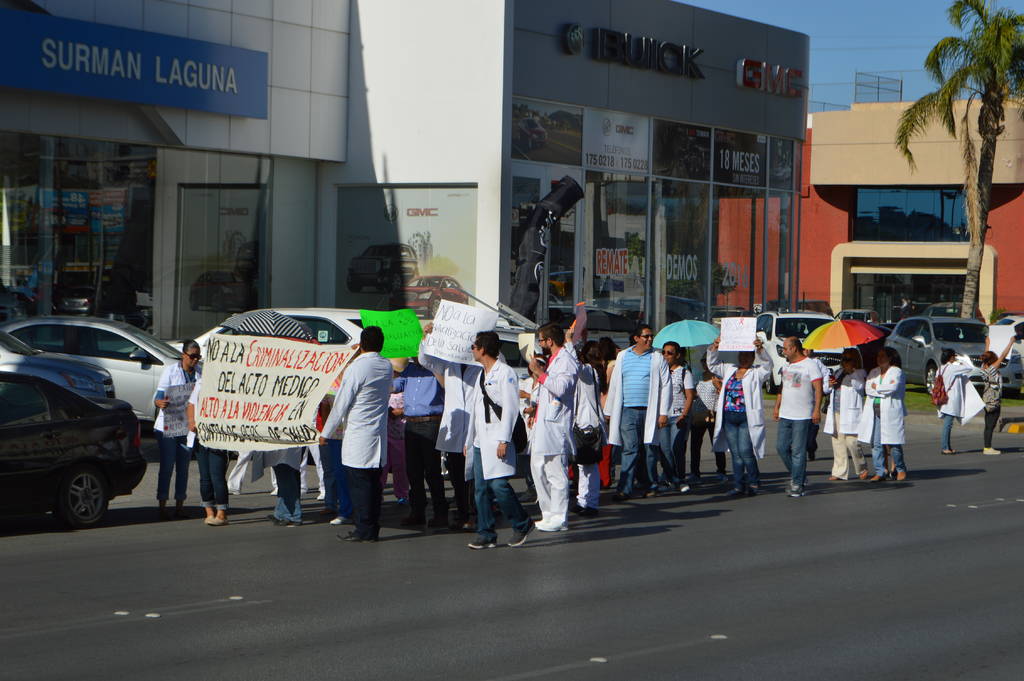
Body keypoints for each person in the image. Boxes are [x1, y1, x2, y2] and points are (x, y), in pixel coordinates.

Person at [464, 331, 535, 549]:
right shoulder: (480, 374)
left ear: (483, 348)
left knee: (499, 485)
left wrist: (504, 440)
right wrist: (469, 440)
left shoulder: (506, 373)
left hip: (497, 438)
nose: (472, 349)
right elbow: (475, 409)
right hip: (480, 440)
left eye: (475, 346)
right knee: (481, 488)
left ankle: (522, 523)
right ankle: (486, 532)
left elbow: (511, 409)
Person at [321, 326, 393, 543]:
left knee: (359, 486)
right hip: (377, 434)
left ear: (361, 344)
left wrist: (326, 432)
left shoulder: (357, 368)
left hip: (359, 435)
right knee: (373, 485)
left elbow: (341, 403)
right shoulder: (385, 365)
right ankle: (372, 527)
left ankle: (363, 529)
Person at [604, 323, 674, 501]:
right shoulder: (623, 356)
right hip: (628, 410)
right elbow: (615, 384)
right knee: (630, 449)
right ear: (636, 338)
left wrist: (664, 412)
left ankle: (651, 484)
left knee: (650, 449)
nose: (650, 339)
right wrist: (610, 409)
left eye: (651, 336)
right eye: (646, 336)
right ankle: (624, 489)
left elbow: (666, 385)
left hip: (650, 411)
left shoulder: (657, 358)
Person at [418, 324, 478, 531]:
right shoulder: (449, 363)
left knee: (473, 475)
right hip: (455, 427)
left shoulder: (479, 365)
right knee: (456, 474)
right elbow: (425, 360)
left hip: (474, 426)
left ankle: (473, 514)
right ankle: (462, 513)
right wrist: (427, 338)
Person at [528, 323, 578, 532]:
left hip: (556, 426)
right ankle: (547, 512)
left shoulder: (566, 361)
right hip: (543, 423)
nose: (540, 344)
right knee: (538, 468)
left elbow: (560, 388)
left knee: (556, 472)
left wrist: (540, 373)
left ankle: (559, 516)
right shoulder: (553, 360)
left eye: (541, 340)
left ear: (550, 341)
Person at [707, 337, 772, 496]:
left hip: (746, 418)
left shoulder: (756, 372)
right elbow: (712, 365)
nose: (744, 358)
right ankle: (738, 485)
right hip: (729, 417)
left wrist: (761, 350)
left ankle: (754, 482)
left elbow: (768, 366)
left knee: (745, 451)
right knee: (735, 454)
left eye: (748, 355)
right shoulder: (730, 369)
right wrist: (715, 347)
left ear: (752, 357)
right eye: (741, 355)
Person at [393, 353, 449, 529]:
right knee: (413, 470)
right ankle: (417, 511)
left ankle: (440, 513)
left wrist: (431, 365)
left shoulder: (437, 369)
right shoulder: (409, 369)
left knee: (432, 471)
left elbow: (445, 385)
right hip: (410, 423)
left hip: (430, 422)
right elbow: (393, 387)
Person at [153, 339, 201, 520]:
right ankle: (162, 506)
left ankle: (180, 506)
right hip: (168, 425)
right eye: (192, 356)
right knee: (167, 467)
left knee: (184, 467)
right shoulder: (171, 371)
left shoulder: (199, 374)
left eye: (198, 357)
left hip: (187, 426)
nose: (195, 360)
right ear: (184, 355)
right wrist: (159, 402)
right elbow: (158, 397)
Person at [772, 337, 823, 498]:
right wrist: (776, 406)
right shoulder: (786, 365)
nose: (783, 351)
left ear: (794, 348)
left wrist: (816, 410)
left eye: (786, 348)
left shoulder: (810, 365)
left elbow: (818, 389)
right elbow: (782, 387)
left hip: (803, 415)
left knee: (798, 451)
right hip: (786, 414)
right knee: (781, 447)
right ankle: (799, 475)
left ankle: (797, 484)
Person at [858, 348, 907, 481]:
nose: (879, 358)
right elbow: (868, 389)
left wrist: (877, 388)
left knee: (893, 442)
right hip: (874, 411)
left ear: (890, 358)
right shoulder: (873, 372)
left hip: (890, 411)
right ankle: (880, 471)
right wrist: (881, 389)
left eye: (883, 356)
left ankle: (900, 469)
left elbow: (893, 388)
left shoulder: (897, 372)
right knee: (876, 443)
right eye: (878, 356)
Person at [185, 377, 229, 525]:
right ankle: (209, 511)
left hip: (219, 436)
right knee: (205, 477)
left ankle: (222, 513)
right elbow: (191, 403)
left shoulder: (226, 380)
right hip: (200, 436)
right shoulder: (201, 381)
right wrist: (191, 421)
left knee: (217, 476)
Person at [572, 341, 606, 516]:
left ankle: (591, 503)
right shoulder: (593, 371)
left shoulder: (588, 371)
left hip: (588, 424)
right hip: (584, 422)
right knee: (582, 466)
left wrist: (570, 342)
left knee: (589, 467)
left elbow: (576, 367)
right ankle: (583, 500)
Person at [823, 349, 868, 481]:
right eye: (843, 359)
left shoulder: (860, 373)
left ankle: (862, 468)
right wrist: (829, 384)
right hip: (836, 411)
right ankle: (839, 471)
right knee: (837, 442)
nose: (844, 362)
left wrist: (851, 372)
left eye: (848, 359)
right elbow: (826, 389)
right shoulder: (838, 372)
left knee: (852, 442)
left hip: (850, 413)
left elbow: (860, 386)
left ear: (855, 360)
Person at [659, 341, 695, 487]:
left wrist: (684, 415)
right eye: (664, 352)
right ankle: (669, 477)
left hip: (678, 415)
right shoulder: (660, 372)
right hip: (663, 415)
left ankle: (680, 477)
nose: (665, 355)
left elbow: (690, 395)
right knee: (664, 450)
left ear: (677, 355)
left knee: (677, 448)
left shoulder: (684, 372)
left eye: (669, 353)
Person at [688, 365, 728, 483]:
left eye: (708, 362)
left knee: (716, 443)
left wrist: (719, 386)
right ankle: (695, 472)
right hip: (698, 415)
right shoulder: (697, 378)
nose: (706, 365)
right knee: (695, 445)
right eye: (703, 362)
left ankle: (721, 470)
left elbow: (723, 396)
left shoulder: (717, 378)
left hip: (713, 414)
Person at [937, 348, 974, 456]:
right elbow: (969, 368)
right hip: (950, 400)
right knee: (948, 424)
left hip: (943, 398)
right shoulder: (953, 368)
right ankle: (945, 448)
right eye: (954, 356)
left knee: (948, 423)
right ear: (951, 357)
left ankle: (947, 447)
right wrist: (961, 360)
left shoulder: (940, 368)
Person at [980, 337, 1014, 455]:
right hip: (994, 401)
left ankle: (987, 446)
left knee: (988, 424)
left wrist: (987, 344)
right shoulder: (992, 370)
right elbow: (1003, 356)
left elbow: (986, 358)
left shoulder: (983, 368)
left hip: (986, 400)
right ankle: (987, 447)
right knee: (990, 425)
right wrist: (1010, 342)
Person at [383, 361, 410, 503]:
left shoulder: (406, 385)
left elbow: (412, 405)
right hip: (386, 431)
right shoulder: (386, 386)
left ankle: (402, 493)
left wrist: (399, 411)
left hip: (401, 432)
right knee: (383, 466)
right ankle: (378, 493)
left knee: (400, 466)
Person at [803, 349, 831, 461]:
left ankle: (811, 448)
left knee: (812, 429)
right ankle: (799, 453)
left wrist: (825, 388)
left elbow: (826, 374)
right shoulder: (795, 363)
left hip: (813, 400)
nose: (807, 351)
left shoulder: (816, 362)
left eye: (809, 349)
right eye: (804, 349)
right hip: (800, 402)